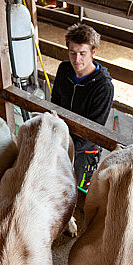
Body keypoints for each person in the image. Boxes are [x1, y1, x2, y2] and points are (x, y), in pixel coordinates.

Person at [51, 23, 114, 190]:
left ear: (94, 52)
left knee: (78, 190)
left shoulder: (103, 86)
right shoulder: (64, 69)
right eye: (72, 53)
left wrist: (66, 147)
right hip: (60, 141)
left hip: (84, 152)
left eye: (82, 53)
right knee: (55, 184)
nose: (76, 60)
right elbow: (55, 103)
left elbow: (94, 130)